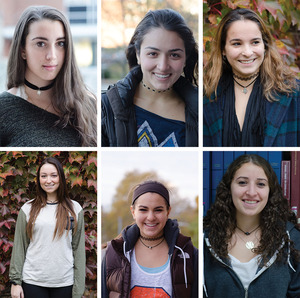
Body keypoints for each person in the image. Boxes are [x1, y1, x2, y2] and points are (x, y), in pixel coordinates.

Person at [203, 154, 300, 297]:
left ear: (270, 190)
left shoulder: (292, 239)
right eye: (242, 182)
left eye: (260, 184)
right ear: (229, 187)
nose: (251, 192)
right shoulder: (205, 238)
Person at [0, 6, 97, 147]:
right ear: (22, 50)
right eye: (40, 44)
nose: (51, 55)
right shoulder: (4, 109)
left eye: (60, 44)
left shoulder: (88, 104)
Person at [203, 8, 300, 146]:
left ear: (265, 46)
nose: (247, 53)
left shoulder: (294, 94)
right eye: (237, 43)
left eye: (255, 42)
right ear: (223, 49)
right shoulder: (206, 95)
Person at [102, 9, 198, 147]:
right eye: (153, 54)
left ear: (185, 59)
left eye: (174, 55)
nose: (163, 66)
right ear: (138, 54)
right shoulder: (106, 108)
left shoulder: (201, 110)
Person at [102, 180, 198, 297]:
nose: (151, 217)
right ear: (133, 212)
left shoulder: (188, 253)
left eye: (158, 210)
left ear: (168, 212)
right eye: (143, 209)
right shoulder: (114, 253)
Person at [9, 157, 85, 298]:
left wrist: (79, 288)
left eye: (53, 175)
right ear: (38, 179)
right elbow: (20, 247)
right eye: (43, 176)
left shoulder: (75, 209)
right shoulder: (27, 209)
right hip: (33, 282)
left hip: (64, 283)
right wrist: (15, 282)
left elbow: (78, 250)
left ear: (61, 178)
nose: (48, 180)